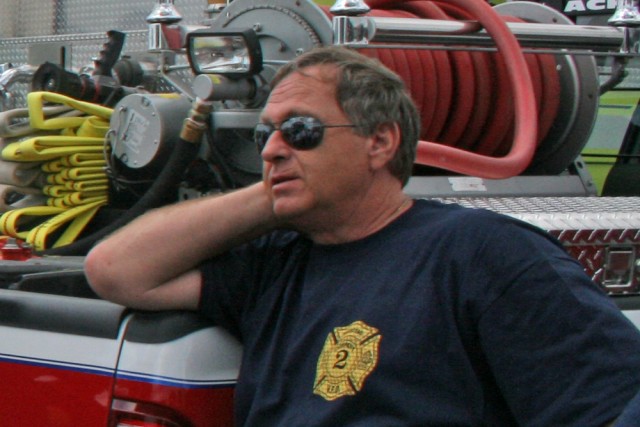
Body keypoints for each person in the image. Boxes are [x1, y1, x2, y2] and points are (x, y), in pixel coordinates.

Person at [85, 46, 640, 426]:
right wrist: (279, 187)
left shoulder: (483, 255)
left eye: (301, 130)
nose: (273, 148)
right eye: (264, 134)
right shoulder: (276, 262)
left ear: (380, 142)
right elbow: (115, 269)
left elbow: (608, 409)